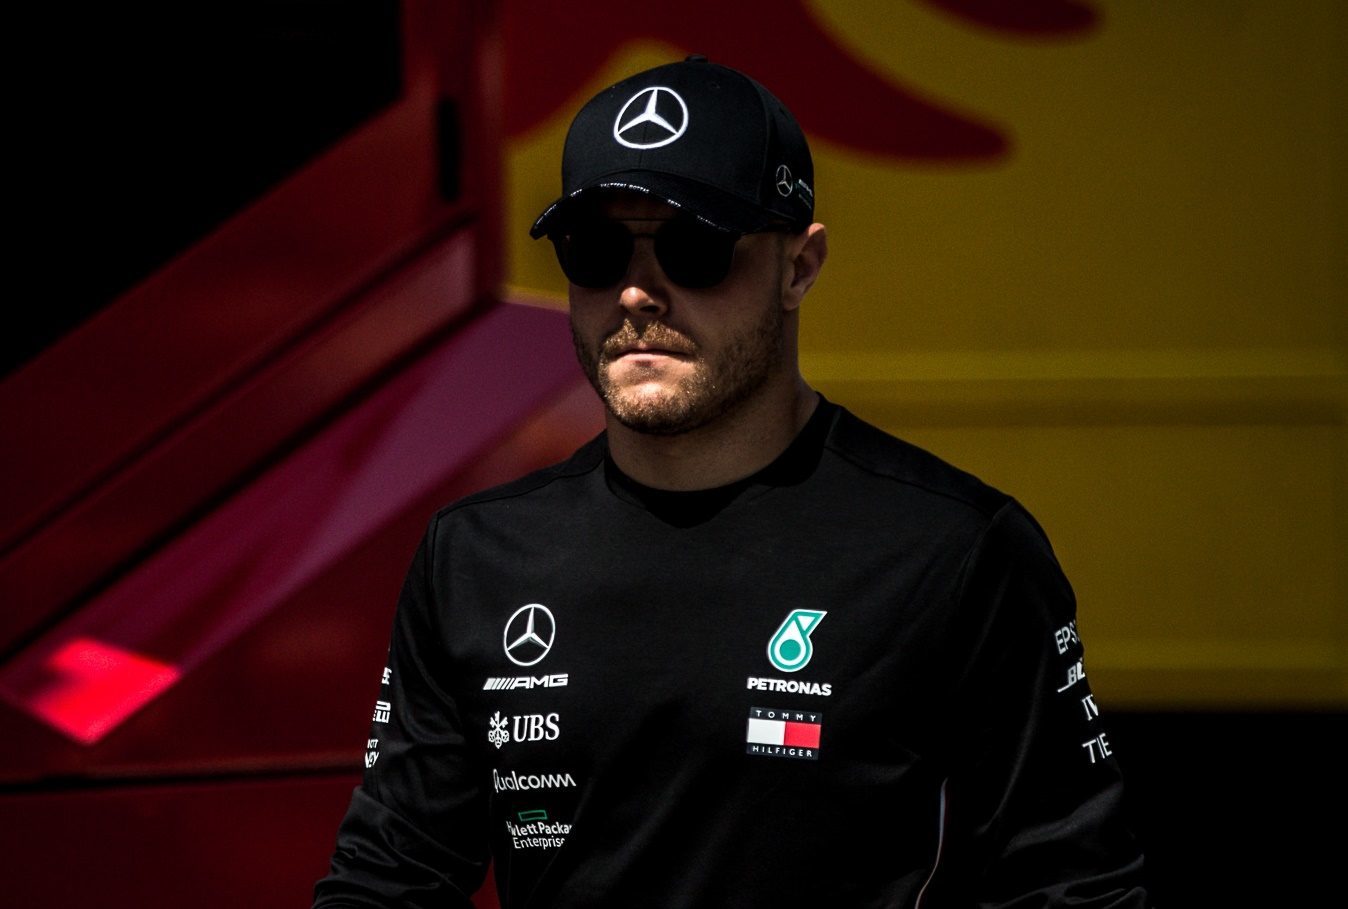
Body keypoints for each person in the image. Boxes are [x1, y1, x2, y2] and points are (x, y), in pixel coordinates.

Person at [313, 55, 1151, 908]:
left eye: (696, 247)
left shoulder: (957, 549)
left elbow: (1074, 890)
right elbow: (388, 880)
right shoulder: (475, 556)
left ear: (799, 267)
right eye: (595, 249)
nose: (637, 292)